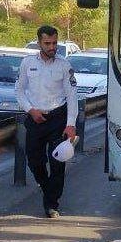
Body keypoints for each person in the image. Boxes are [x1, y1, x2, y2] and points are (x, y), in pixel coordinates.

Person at [15, 25, 78, 218]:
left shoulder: (64, 65)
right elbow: (19, 90)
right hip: (35, 119)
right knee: (35, 162)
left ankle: (52, 204)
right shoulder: (27, 63)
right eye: (47, 43)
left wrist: (71, 124)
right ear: (39, 43)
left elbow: (72, 95)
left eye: (54, 43)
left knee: (58, 162)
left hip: (58, 118)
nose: (52, 47)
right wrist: (30, 110)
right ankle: (46, 187)